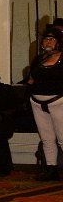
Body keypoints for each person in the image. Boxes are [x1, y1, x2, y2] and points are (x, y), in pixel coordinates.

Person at [26, 23, 63, 180]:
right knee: (47, 138)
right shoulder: (39, 59)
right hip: (37, 103)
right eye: (46, 39)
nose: (48, 42)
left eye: (52, 39)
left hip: (58, 102)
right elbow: (31, 80)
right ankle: (51, 169)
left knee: (62, 138)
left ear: (59, 41)